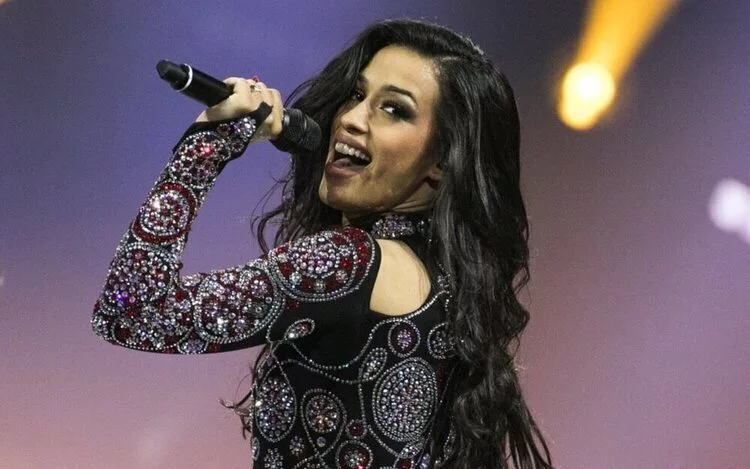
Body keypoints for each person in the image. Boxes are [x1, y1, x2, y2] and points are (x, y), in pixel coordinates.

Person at [92, 19, 554, 469]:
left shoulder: (351, 262)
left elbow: (133, 312)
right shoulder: (447, 287)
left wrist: (207, 145)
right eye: (357, 95)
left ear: (442, 162)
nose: (350, 119)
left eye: (394, 110)